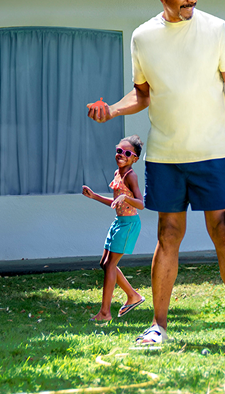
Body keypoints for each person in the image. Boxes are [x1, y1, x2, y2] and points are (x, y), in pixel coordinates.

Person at [86, 0, 225, 347]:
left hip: (214, 153)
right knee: (168, 235)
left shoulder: (216, 29)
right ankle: (158, 326)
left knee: (224, 236)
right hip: (165, 156)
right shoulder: (143, 38)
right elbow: (142, 93)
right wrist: (113, 110)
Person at [82, 135, 146, 322]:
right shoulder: (118, 173)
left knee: (111, 265)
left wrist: (125, 198)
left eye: (127, 153)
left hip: (128, 225)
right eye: (119, 150)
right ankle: (133, 296)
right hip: (118, 222)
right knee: (105, 263)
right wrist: (95, 197)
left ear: (134, 158)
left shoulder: (130, 175)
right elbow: (116, 203)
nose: (121, 155)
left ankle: (105, 313)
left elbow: (141, 203)